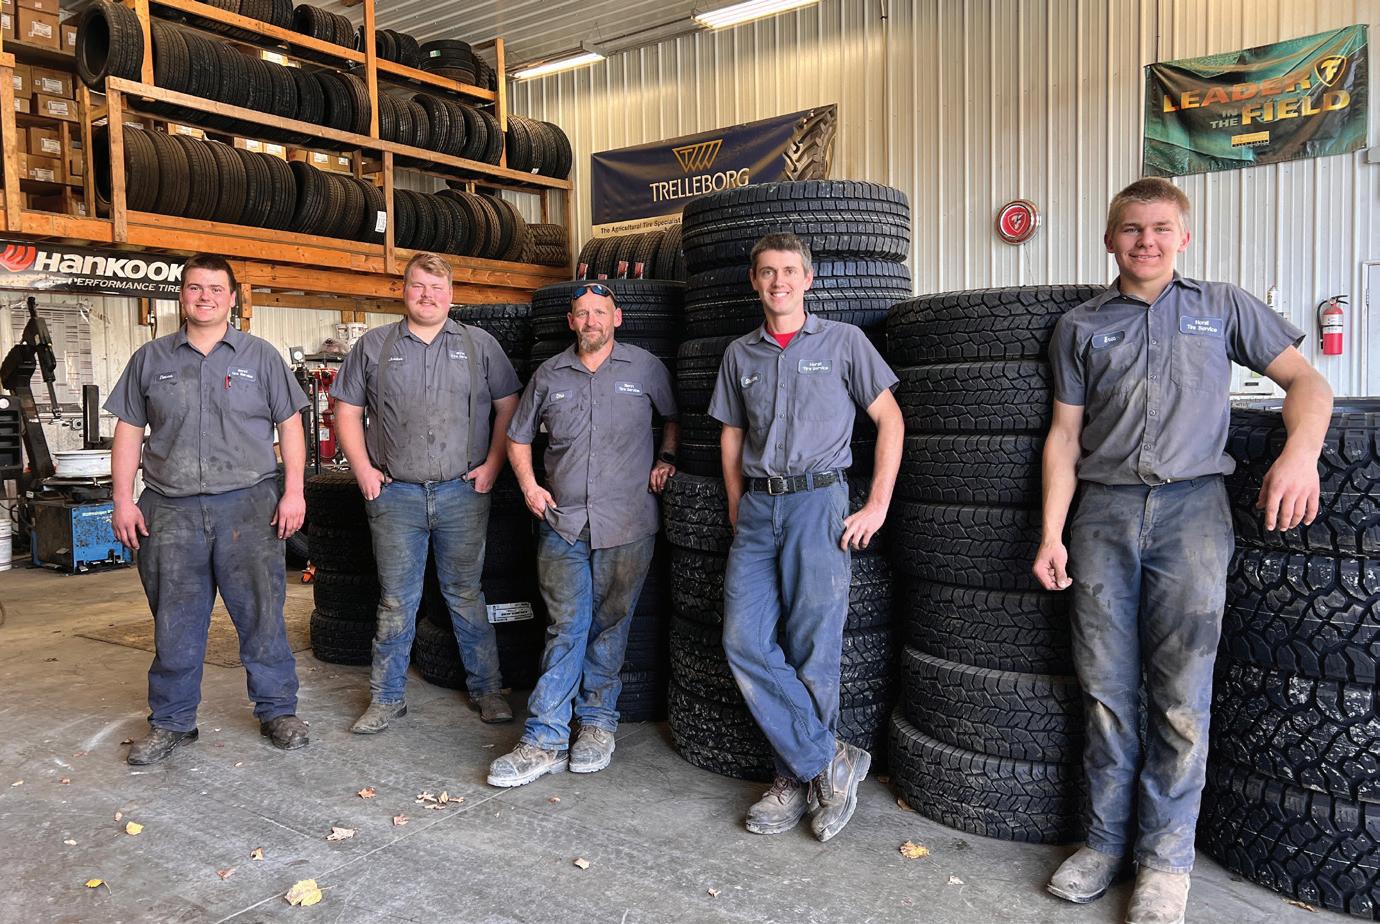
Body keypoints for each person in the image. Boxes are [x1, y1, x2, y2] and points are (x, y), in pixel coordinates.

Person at [1034, 178, 1332, 924]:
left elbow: (1306, 382)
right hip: (1102, 514)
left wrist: (1300, 454)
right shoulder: (1080, 326)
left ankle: (1165, 864)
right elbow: (1065, 437)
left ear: (1184, 237)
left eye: (1161, 228)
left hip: (1192, 512)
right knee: (1105, 690)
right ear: (1110, 240)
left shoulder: (1222, 307)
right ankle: (1103, 844)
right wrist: (1051, 532)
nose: (1147, 241)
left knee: (1180, 695)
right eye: (1132, 229)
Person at [706, 232, 904, 841]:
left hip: (819, 503)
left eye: (789, 271)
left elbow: (890, 419)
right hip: (758, 508)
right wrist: (737, 505)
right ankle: (827, 760)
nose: (779, 282)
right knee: (742, 639)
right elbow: (731, 436)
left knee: (813, 646)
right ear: (754, 281)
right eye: (767, 272)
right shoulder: (740, 354)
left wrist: (876, 505)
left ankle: (792, 778)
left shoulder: (844, 342)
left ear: (808, 279)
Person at [109, 253, 311, 765]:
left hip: (249, 506)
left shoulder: (260, 356)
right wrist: (122, 499)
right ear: (182, 295)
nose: (205, 297)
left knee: (262, 614)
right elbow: (128, 431)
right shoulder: (150, 359)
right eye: (196, 288)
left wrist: (294, 491)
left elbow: (290, 426)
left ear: (232, 298)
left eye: (216, 289)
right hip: (169, 510)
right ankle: (172, 721)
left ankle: (277, 710)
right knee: (174, 621)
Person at [487, 282, 679, 786]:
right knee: (565, 627)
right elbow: (517, 437)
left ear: (617, 318)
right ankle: (544, 738)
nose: (591, 320)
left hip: (628, 525)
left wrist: (666, 458)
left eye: (600, 311)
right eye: (582, 313)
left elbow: (674, 418)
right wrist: (529, 487)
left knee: (611, 627)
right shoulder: (550, 374)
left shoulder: (645, 368)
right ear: (570, 322)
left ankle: (596, 724)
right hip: (563, 524)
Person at [333, 252, 522, 733]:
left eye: (437, 288)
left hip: (463, 493)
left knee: (466, 594)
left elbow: (509, 407)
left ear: (451, 295)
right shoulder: (374, 346)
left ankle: (488, 690)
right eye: (418, 285)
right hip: (395, 495)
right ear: (404, 290)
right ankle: (386, 698)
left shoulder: (479, 345)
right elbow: (347, 411)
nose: (427, 295)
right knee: (397, 600)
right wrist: (363, 471)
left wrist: (492, 466)